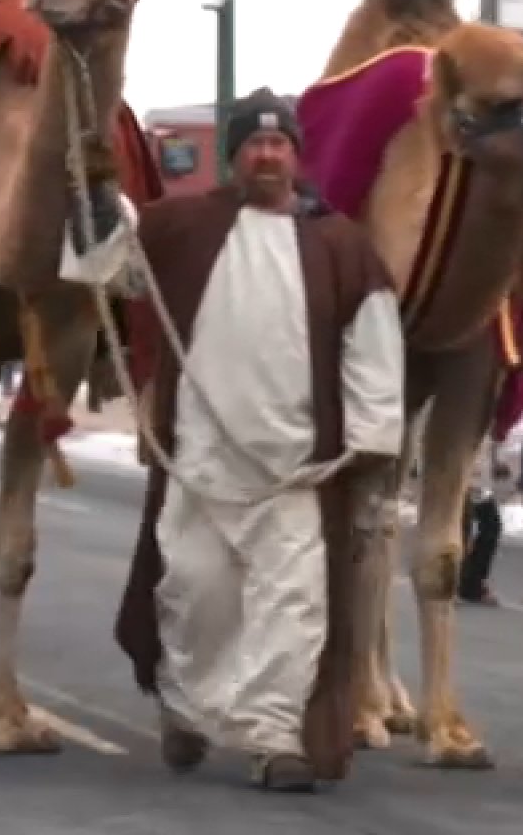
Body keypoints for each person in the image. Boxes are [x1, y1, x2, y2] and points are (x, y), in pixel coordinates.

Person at [113, 97, 406, 792]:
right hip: (203, 465)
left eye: (279, 146)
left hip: (298, 471)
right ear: (233, 155)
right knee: (196, 597)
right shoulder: (182, 227)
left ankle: (276, 740)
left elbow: (373, 345)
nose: (267, 157)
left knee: (292, 606)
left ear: (296, 155)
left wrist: (370, 440)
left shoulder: (341, 244)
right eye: (253, 146)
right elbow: (112, 267)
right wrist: (96, 196)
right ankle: (187, 709)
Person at [456, 438, 506, 607]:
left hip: (479, 464)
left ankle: (472, 582)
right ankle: (452, 582)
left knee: (491, 525)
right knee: (459, 525)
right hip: (458, 458)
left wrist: (497, 459)